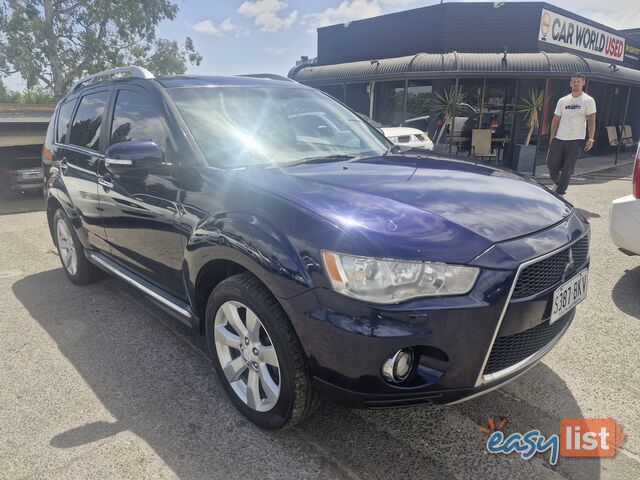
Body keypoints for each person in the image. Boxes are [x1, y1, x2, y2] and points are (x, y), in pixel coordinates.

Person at [547, 73, 597, 195]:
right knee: (551, 163)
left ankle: (560, 192)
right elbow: (556, 119)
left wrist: (591, 138)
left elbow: (591, 120)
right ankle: (558, 182)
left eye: (578, 81)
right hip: (559, 137)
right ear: (570, 83)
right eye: (573, 81)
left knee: (567, 168)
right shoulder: (563, 100)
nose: (575, 84)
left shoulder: (588, 100)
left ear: (583, 83)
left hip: (576, 139)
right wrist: (552, 136)